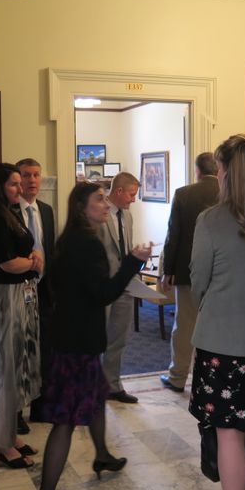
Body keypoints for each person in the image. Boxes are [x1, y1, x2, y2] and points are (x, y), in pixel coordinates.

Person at [32, 182, 151, 490]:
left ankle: (101, 454)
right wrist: (132, 261)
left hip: (72, 338)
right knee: (65, 422)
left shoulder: (71, 240)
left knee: (97, 396)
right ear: (82, 207)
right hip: (77, 344)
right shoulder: (86, 244)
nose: (106, 205)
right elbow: (104, 294)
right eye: (99, 200)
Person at [188, 134, 245, 490]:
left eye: (220, 169)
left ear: (227, 173)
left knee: (227, 434)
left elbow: (198, 282)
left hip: (222, 346)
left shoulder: (211, 220)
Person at [0, 163, 43, 468]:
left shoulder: (12, 211)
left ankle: (10, 433)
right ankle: (1, 442)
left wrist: (32, 261)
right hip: (5, 298)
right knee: (6, 368)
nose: (19, 189)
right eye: (12, 184)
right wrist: (32, 263)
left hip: (21, 295)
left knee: (20, 364)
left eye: (19, 184)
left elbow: (30, 254)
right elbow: (7, 264)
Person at [159, 152, 219, 393]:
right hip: (222, 271)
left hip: (188, 270)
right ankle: (212, 377)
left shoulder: (184, 194)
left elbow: (174, 234)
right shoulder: (228, 193)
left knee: (184, 325)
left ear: (197, 171)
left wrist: (168, 270)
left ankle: (177, 376)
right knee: (216, 325)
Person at [15, 158, 57, 428]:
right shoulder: (9, 211)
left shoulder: (46, 209)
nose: (32, 181)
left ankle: (42, 406)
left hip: (44, 289)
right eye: (26, 175)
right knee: (20, 349)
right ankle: (16, 411)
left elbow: (50, 249)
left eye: (36, 175)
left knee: (46, 348)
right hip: (18, 288)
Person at [98, 171, 141, 403]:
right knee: (98, 337)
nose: (134, 200)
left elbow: (126, 248)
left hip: (125, 285)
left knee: (119, 337)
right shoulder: (99, 212)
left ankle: (112, 385)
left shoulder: (128, 215)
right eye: (132, 195)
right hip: (103, 286)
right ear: (119, 191)